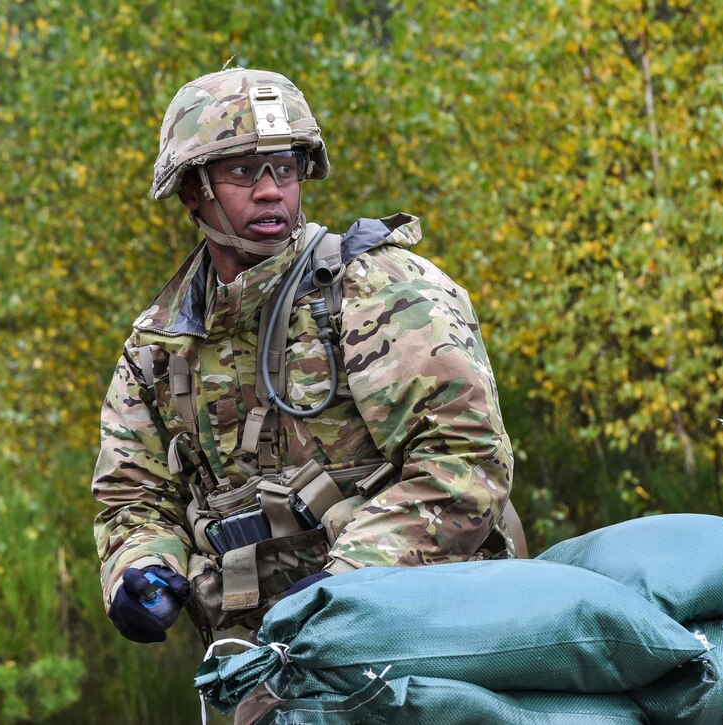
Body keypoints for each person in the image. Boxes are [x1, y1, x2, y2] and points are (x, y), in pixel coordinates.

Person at [91, 67, 521, 720]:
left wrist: (347, 584)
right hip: (265, 655)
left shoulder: (379, 290)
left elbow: (467, 463)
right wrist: (139, 568)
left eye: (284, 169)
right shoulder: (160, 343)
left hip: (420, 618)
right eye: (243, 173)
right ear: (192, 191)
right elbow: (133, 495)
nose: (271, 192)